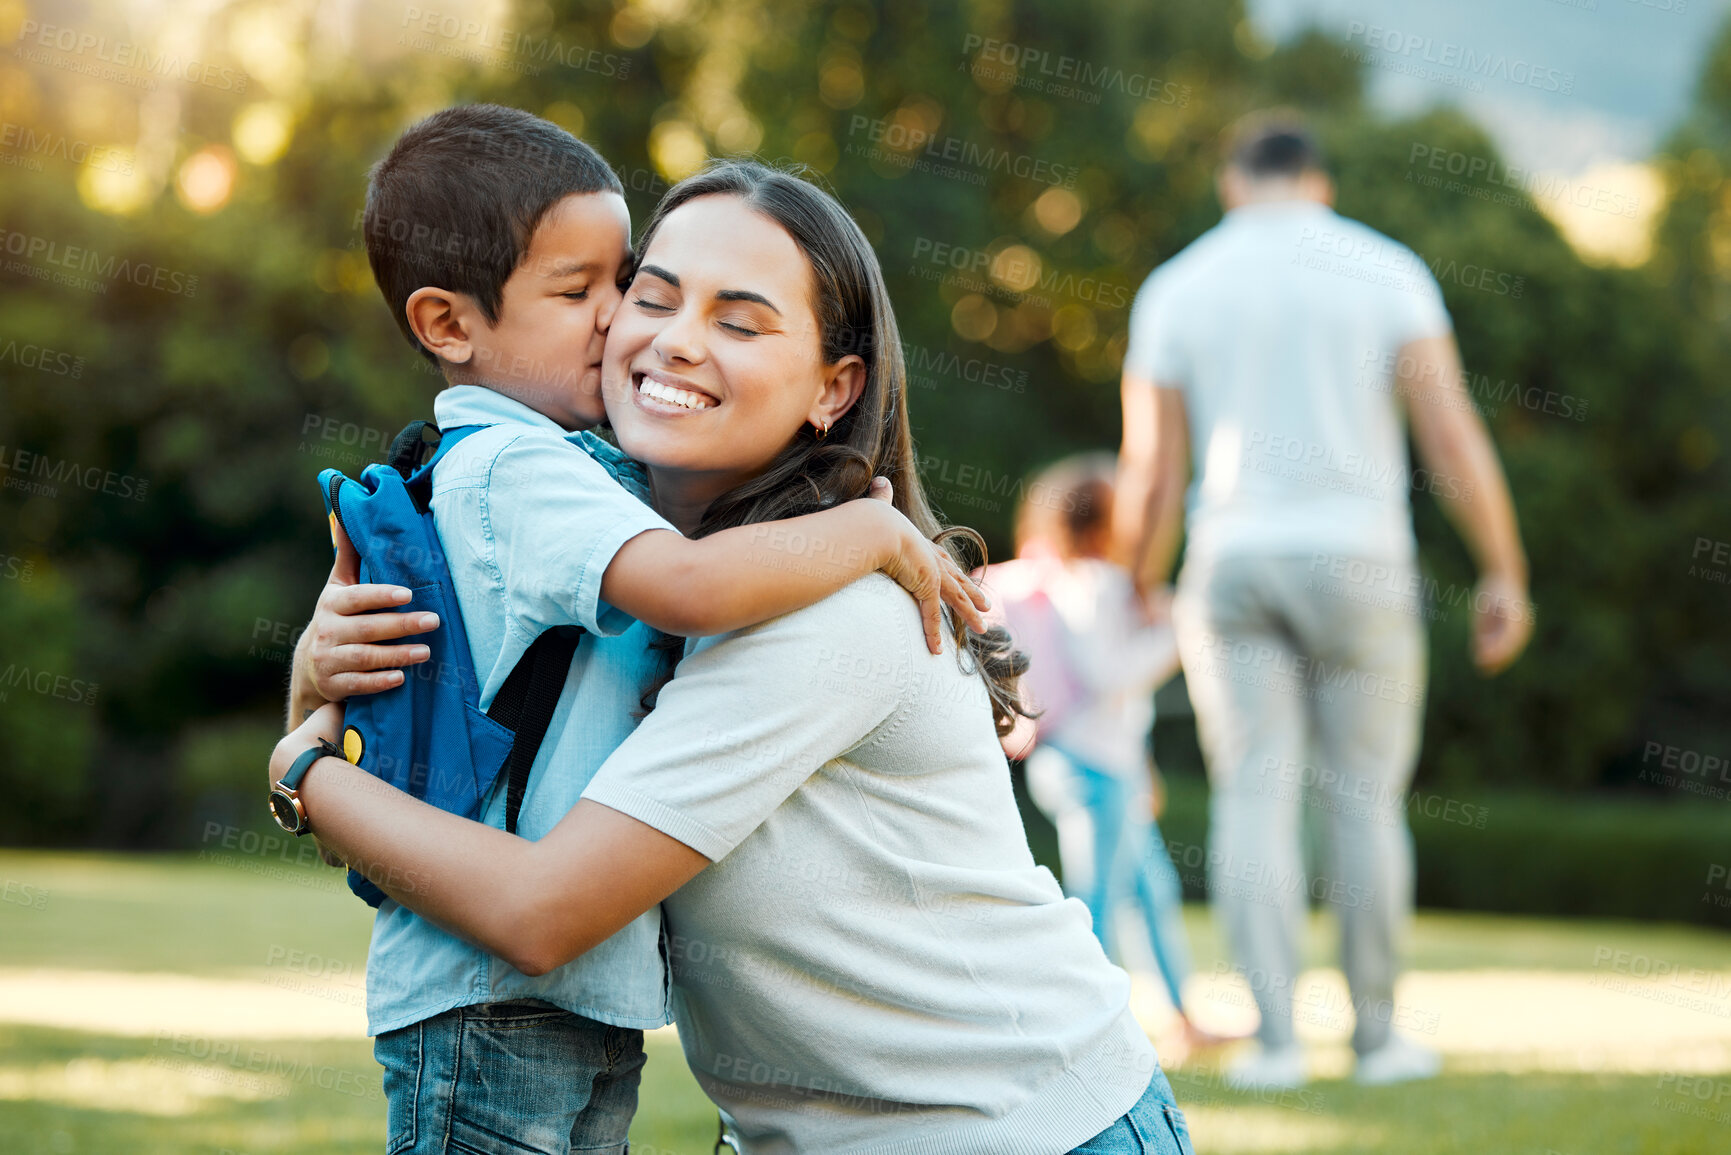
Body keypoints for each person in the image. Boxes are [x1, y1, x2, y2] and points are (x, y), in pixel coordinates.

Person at [277, 160, 1196, 1154]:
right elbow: (429, 797)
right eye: (651, 295)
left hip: (1022, 1130)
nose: (674, 340)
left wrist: (297, 773)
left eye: (740, 321)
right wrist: (318, 673)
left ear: (834, 389)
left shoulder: (828, 610)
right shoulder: (616, 569)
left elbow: (539, 911)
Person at [1113, 110, 1533, 1090]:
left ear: (1231, 185)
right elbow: (1452, 438)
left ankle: (1273, 1047)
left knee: (1256, 798)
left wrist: (1137, 581)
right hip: (1363, 558)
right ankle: (1380, 1041)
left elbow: (1150, 470)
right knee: (1365, 803)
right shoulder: (1388, 271)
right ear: (1321, 184)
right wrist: (1503, 571)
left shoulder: (1177, 286)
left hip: (1233, 562)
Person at [990, 453, 1233, 1062]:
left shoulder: (1087, 582)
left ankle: (1182, 1018)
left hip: (1099, 764)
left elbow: (1114, 707)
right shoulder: (1094, 584)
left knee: (1152, 892)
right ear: (1106, 524)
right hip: (1090, 768)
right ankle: (1089, 1035)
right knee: (1097, 902)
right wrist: (1177, 631)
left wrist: (1140, 766)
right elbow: (1106, 677)